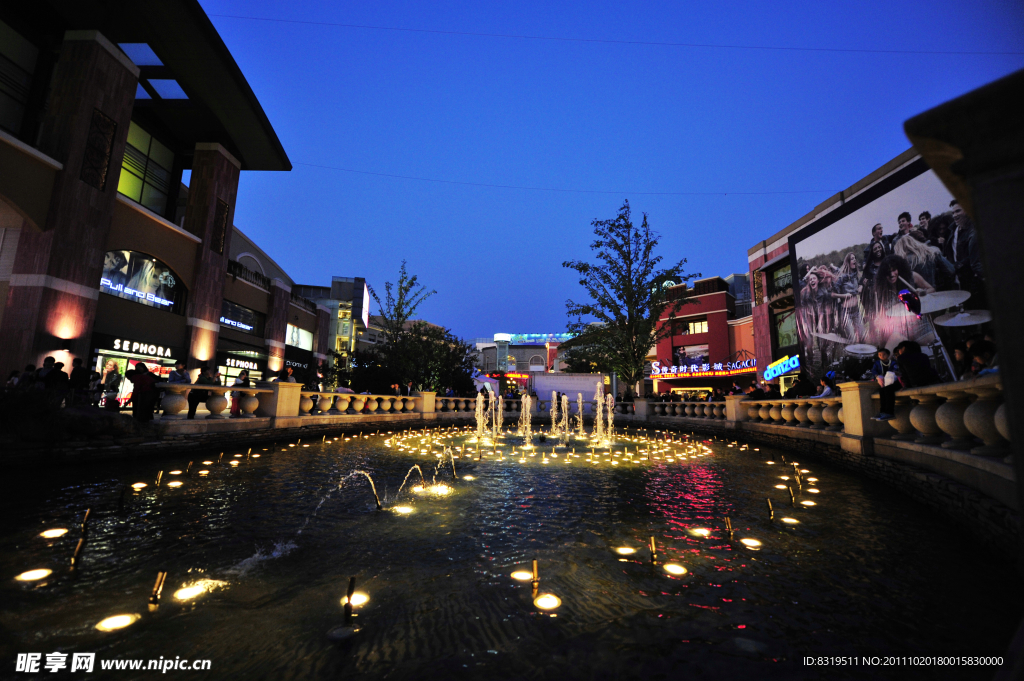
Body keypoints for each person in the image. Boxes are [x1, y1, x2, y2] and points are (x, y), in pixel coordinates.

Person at [942, 199, 986, 309]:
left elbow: (975, 262)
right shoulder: (953, 229)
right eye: (953, 213)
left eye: (958, 211)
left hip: (973, 280)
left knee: (979, 312)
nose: (954, 215)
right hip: (958, 279)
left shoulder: (973, 231)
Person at [871, 348, 899, 420]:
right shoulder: (877, 363)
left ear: (888, 355)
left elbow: (896, 370)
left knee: (887, 392)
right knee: (882, 392)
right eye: (880, 355)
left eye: (884, 354)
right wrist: (877, 376)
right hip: (881, 381)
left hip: (891, 381)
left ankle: (888, 412)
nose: (882, 356)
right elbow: (874, 371)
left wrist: (892, 373)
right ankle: (882, 412)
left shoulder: (893, 362)